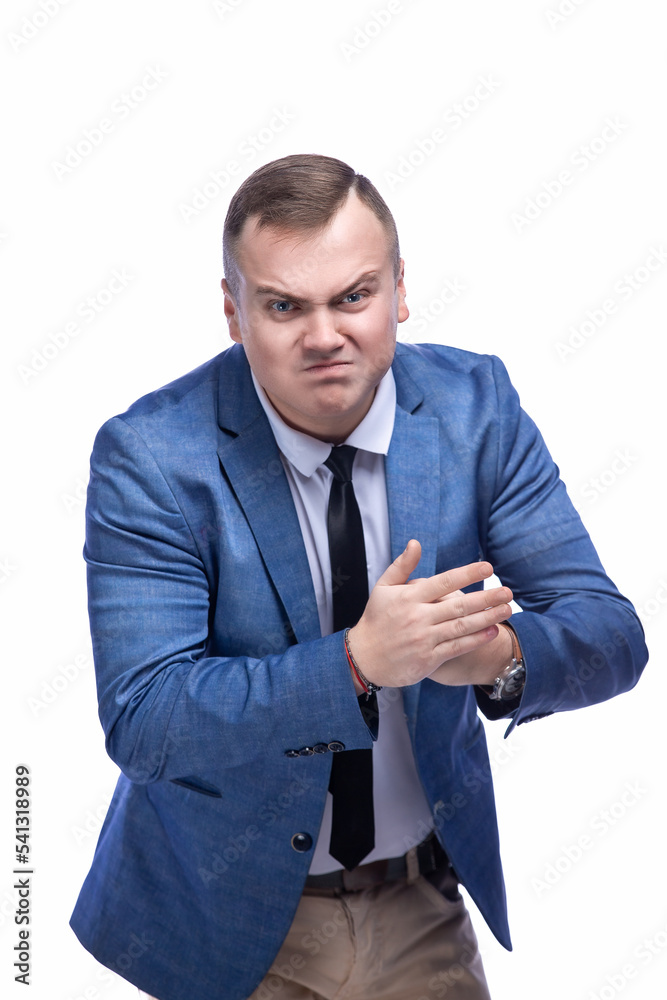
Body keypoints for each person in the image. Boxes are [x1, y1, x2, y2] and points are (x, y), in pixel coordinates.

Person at [70, 154, 648, 1000]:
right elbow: (146, 720)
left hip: (418, 901)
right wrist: (356, 664)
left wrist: (494, 658)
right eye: (282, 305)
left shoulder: (473, 407)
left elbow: (612, 636)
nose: (324, 334)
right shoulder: (152, 457)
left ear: (399, 291)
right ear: (233, 312)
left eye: (353, 296)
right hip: (226, 926)